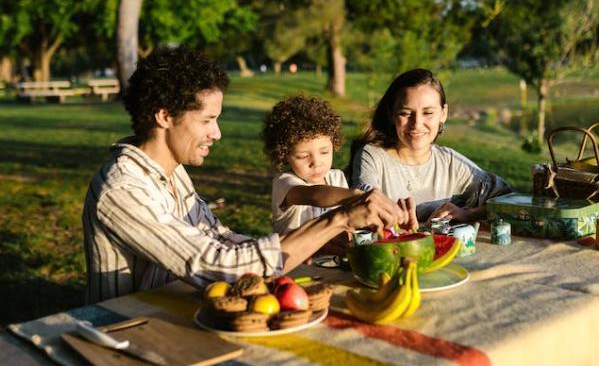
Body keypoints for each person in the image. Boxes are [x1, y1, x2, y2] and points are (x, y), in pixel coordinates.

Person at [82, 47, 416, 303]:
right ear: (165, 116)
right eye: (207, 120)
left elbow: (219, 238)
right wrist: (337, 219)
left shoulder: (171, 172)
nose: (217, 133)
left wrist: (317, 242)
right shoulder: (122, 189)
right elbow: (218, 264)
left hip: (172, 309)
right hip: (126, 332)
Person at [349, 68, 511, 223]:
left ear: (443, 113)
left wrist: (468, 214)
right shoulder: (372, 157)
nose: (417, 124)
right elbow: (363, 207)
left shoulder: (450, 163)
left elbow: (509, 201)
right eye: (406, 113)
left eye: (428, 113)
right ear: (392, 114)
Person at [262, 95, 363, 235]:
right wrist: (356, 196)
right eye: (303, 156)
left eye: (324, 152)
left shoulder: (337, 178)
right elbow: (314, 195)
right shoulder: (284, 183)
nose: (316, 162)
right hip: (296, 256)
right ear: (283, 154)